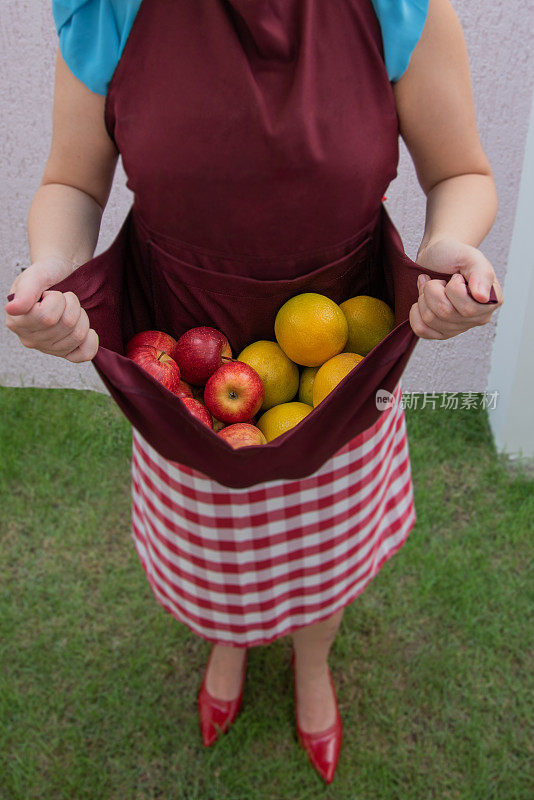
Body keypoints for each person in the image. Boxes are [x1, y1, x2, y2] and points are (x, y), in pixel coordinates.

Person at [5, 0, 502, 784]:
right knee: (215, 553)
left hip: (340, 366)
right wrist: (54, 269)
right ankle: (228, 640)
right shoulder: (109, 11)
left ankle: (312, 663)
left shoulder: (398, 8)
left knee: (326, 548)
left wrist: (445, 248)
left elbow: (459, 172)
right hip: (188, 382)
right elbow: (72, 180)